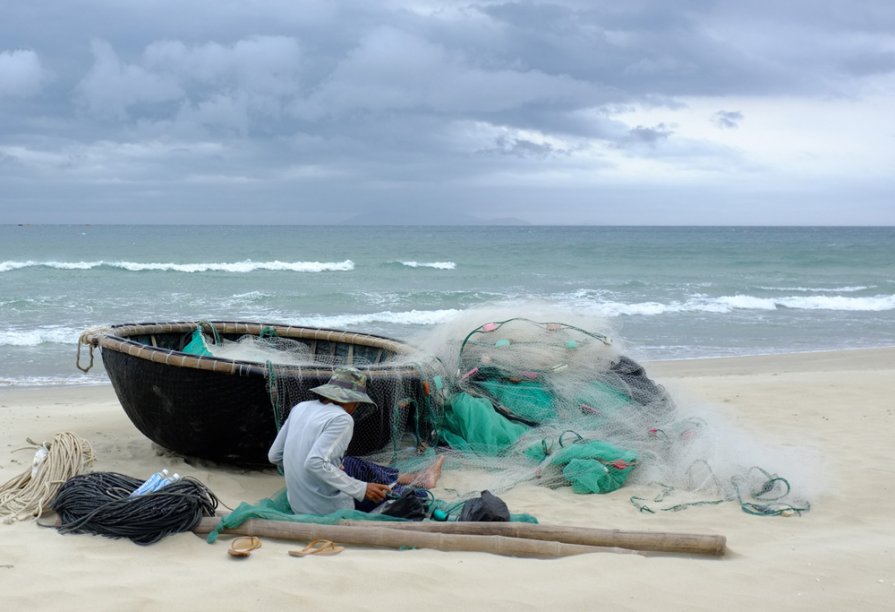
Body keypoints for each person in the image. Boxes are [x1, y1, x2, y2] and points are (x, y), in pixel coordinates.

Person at [268, 367, 444, 515]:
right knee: (419, 498)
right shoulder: (342, 419)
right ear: (351, 400)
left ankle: (416, 477)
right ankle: (416, 484)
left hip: (298, 504)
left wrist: (309, 474)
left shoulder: (300, 408)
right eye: (358, 403)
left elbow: (274, 456)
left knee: (351, 463)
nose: (356, 408)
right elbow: (314, 463)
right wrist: (362, 489)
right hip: (326, 508)